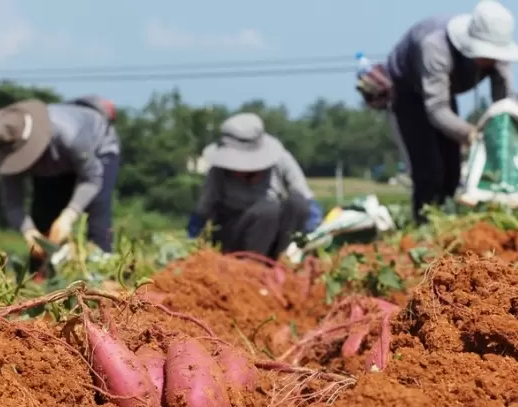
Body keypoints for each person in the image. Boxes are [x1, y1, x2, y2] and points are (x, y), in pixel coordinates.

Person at [356, 0, 518, 224]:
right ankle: (424, 225)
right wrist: (471, 133)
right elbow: (436, 108)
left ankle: (446, 220)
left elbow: (504, 103)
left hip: (443, 92)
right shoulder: (434, 46)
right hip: (409, 92)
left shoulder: (498, 57)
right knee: (429, 170)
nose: (489, 60)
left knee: (452, 171)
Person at [0, 96, 121, 273]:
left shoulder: (69, 136)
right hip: (53, 164)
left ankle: (102, 274)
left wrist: (69, 215)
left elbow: (91, 179)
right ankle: (42, 279)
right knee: (44, 218)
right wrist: (28, 231)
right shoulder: (6, 146)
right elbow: (12, 202)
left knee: (98, 218)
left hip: (97, 155)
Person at [187, 112, 323, 259]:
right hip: (236, 235)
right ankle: (252, 266)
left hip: (276, 236)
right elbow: (203, 211)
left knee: (297, 203)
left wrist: (310, 234)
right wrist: (192, 242)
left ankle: (282, 259)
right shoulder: (218, 172)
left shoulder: (281, 160)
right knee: (267, 210)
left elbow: (307, 203)